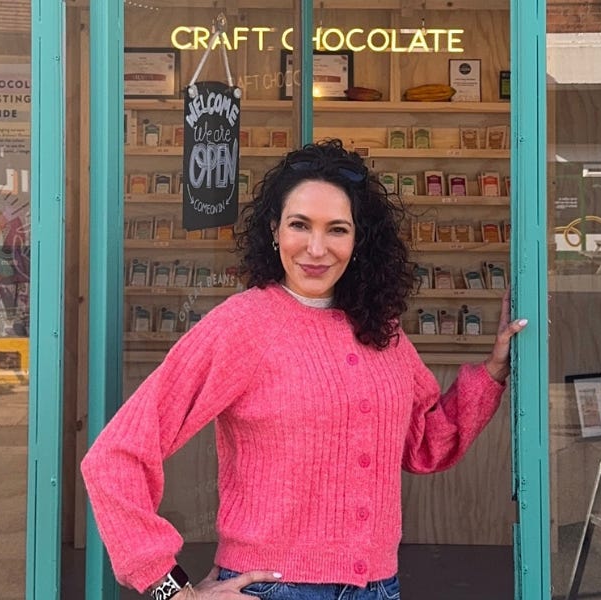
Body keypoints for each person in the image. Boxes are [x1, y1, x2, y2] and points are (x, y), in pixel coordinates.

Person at [81, 139, 528, 600]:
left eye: (337, 229)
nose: (316, 248)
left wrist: (493, 371)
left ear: (359, 240)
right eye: (300, 225)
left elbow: (425, 445)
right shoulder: (242, 326)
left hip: (378, 588)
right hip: (272, 589)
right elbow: (115, 457)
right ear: (275, 230)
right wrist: (171, 592)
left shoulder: (382, 331)